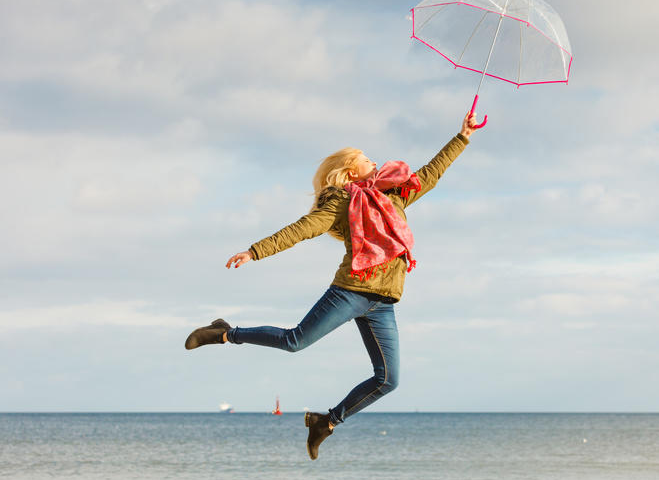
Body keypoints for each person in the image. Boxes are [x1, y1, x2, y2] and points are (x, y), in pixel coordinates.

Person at [185, 110, 482, 460]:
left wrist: (462, 137)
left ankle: (325, 422)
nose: (375, 162)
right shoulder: (341, 201)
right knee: (295, 341)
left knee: (388, 379)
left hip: (383, 302)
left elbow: (431, 174)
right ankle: (224, 333)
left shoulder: (393, 195)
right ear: (351, 171)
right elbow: (301, 229)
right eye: (366, 159)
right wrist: (255, 251)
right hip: (350, 291)